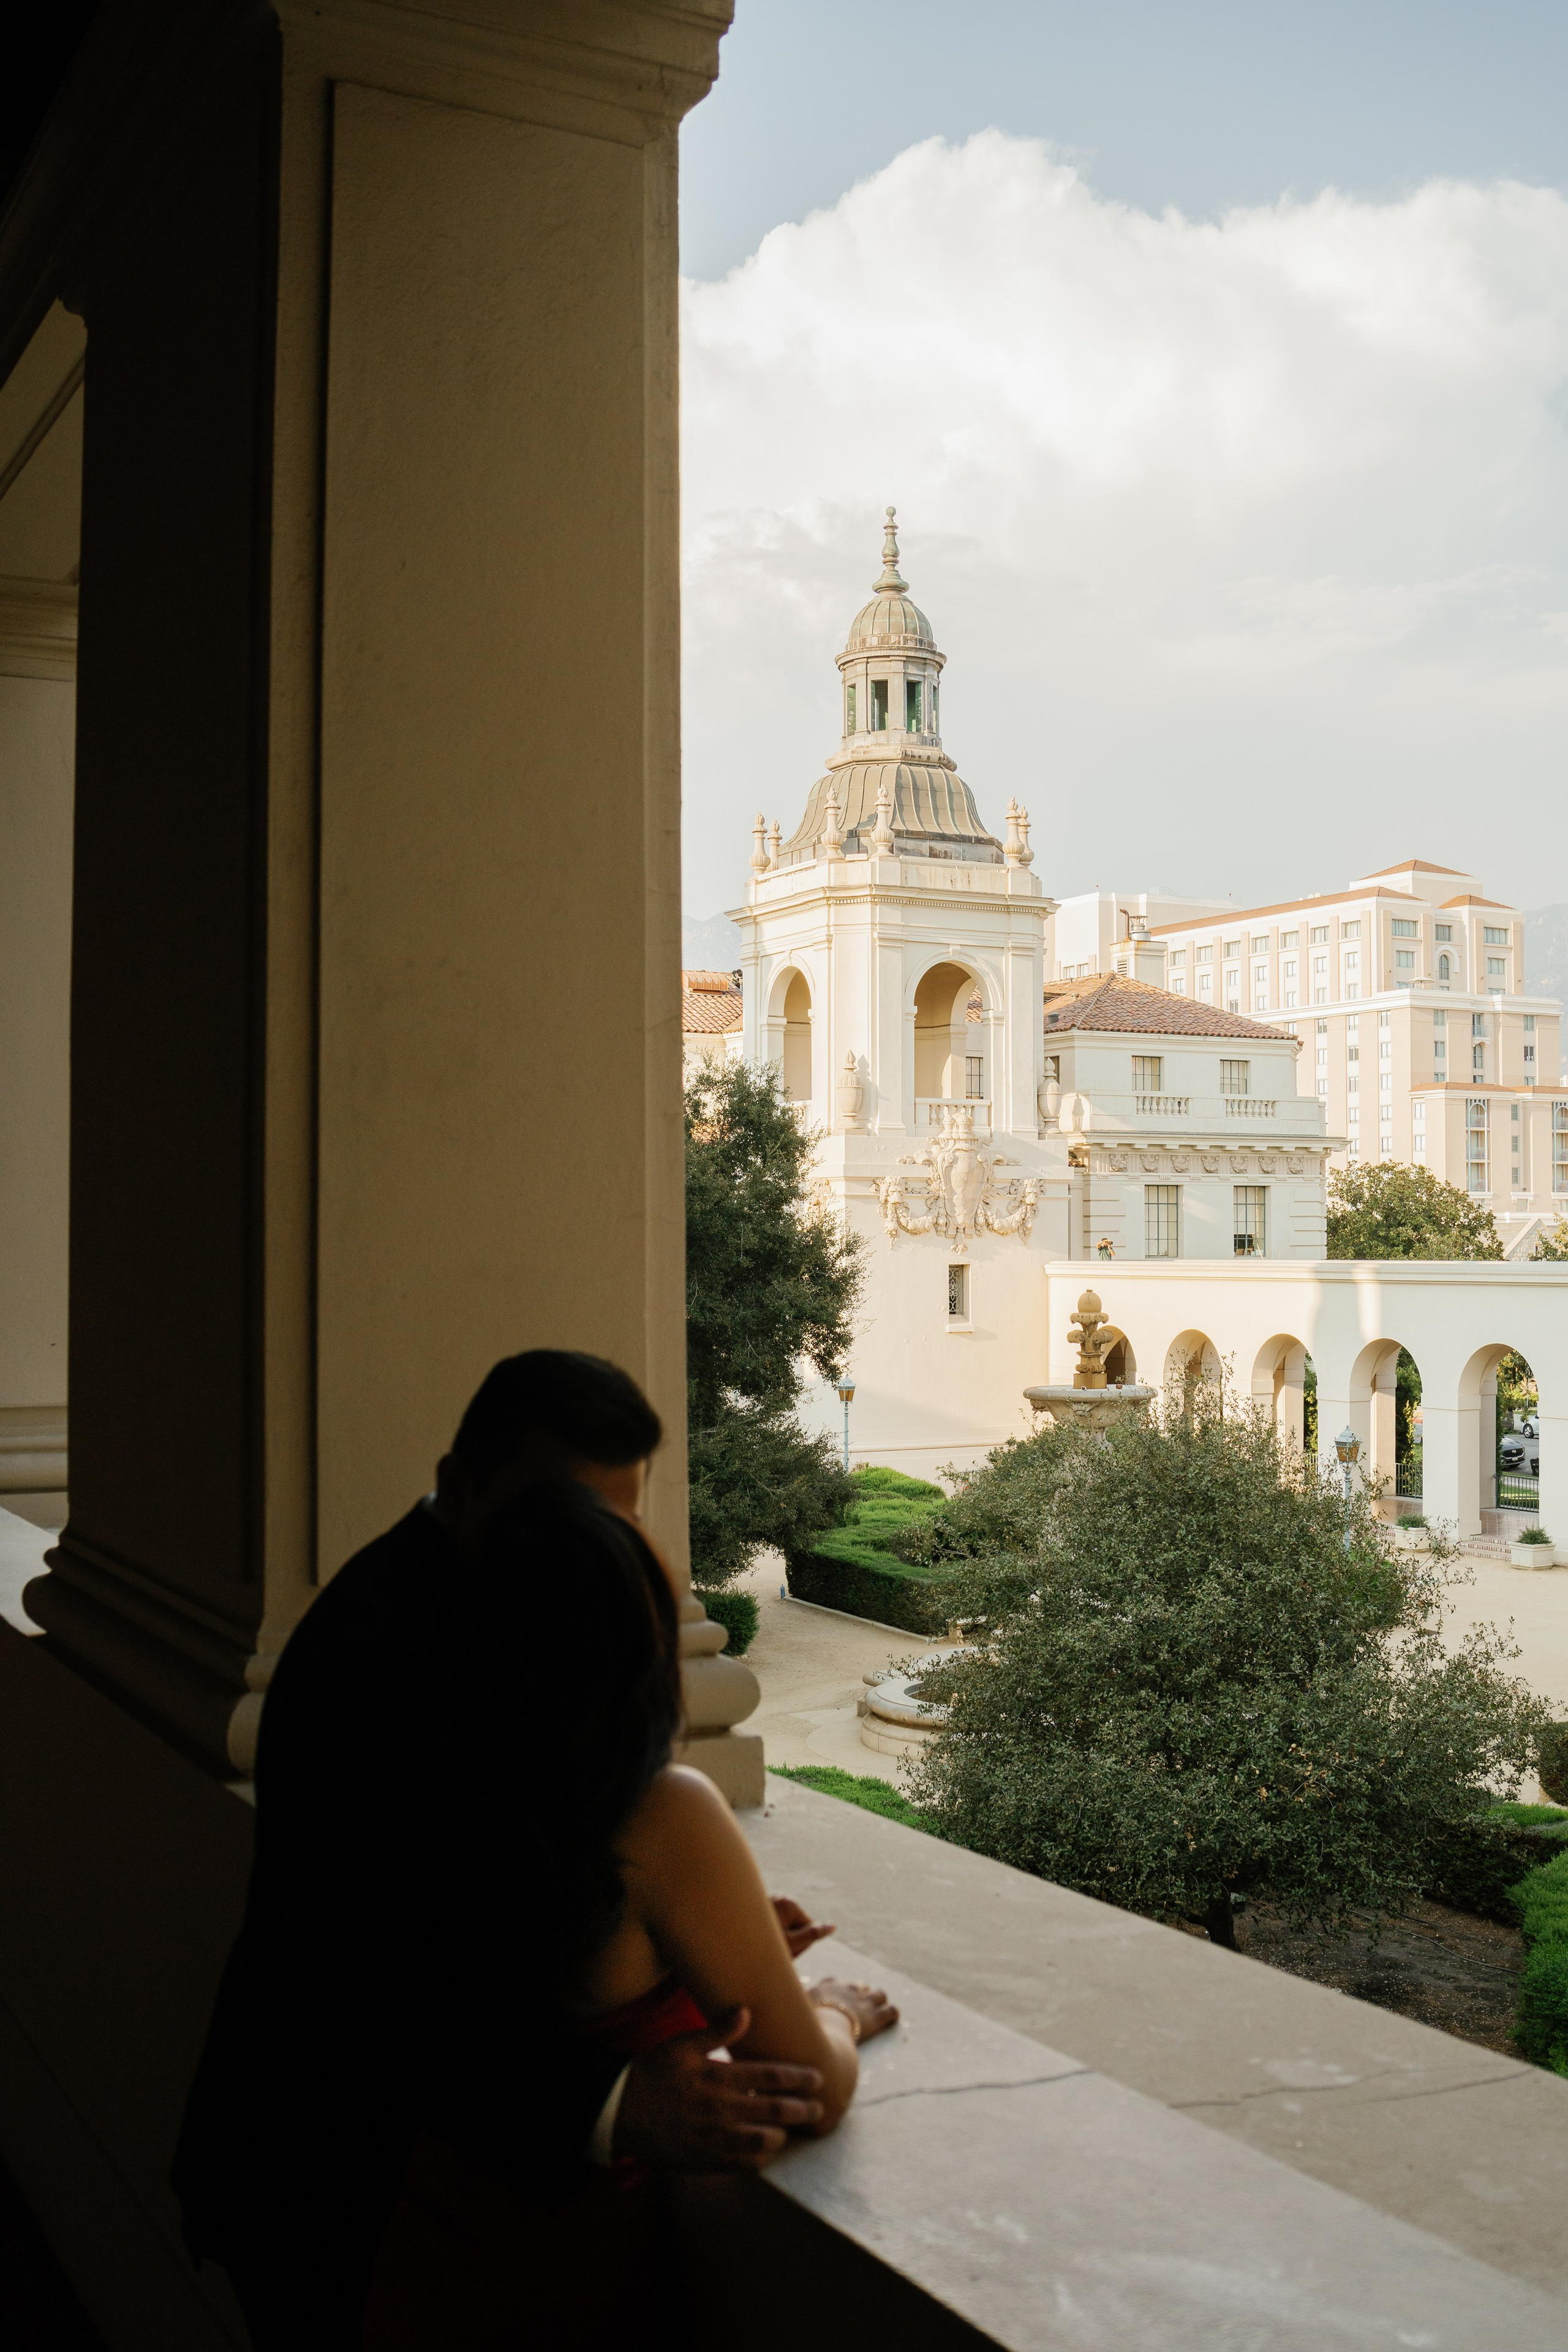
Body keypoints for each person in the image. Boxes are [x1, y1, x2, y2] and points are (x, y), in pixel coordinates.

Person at [173, 1351, 892, 2349]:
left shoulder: (490, 1630)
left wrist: (674, 1947)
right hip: (339, 2176)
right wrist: (609, 2100)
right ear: (463, 1484)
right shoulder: (375, 1661)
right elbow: (357, 1970)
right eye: (568, 1513)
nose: (598, 1540)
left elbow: (505, 1894)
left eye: (623, 1515)